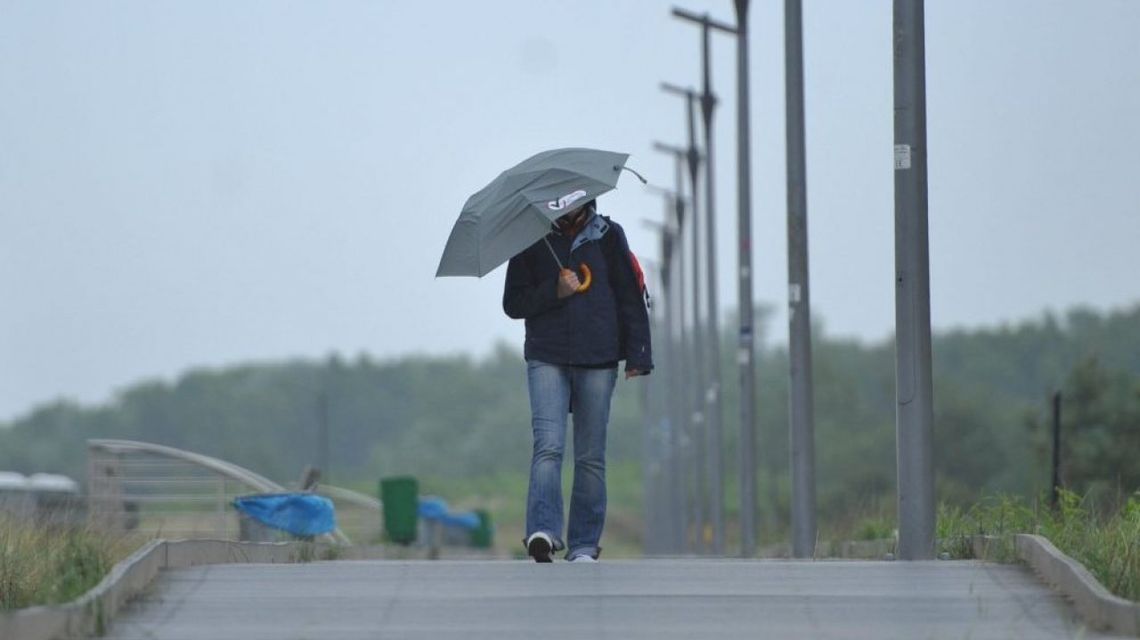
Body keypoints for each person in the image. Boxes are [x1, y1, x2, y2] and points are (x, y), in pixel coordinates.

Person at [502, 199, 652, 563]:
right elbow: (513, 303)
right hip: (546, 355)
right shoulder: (530, 240)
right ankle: (543, 532)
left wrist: (639, 354)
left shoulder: (609, 236)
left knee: (590, 456)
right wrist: (554, 291)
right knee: (548, 447)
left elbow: (630, 297)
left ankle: (584, 544)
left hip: (598, 357)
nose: (569, 206)